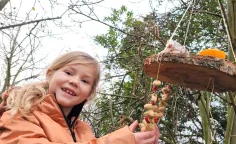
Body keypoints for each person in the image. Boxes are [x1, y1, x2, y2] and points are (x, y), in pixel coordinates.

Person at [0, 51, 160, 144]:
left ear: (89, 93)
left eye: (85, 81)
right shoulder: (21, 112)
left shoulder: (84, 132)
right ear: (50, 75)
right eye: (68, 73)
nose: (74, 81)